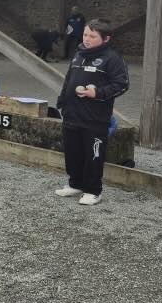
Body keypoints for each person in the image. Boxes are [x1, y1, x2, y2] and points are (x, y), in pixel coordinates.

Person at [54, 19, 129, 206]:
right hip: (72, 114)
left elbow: (122, 85)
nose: (87, 39)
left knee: (93, 155)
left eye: (92, 36)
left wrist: (97, 92)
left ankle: (93, 190)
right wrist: (62, 101)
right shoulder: (78, 54)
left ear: (105, 39)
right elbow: (69, 80)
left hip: (95, 118)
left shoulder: (112, 58)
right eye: (85, 34)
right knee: (72, 153)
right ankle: (75, 184)